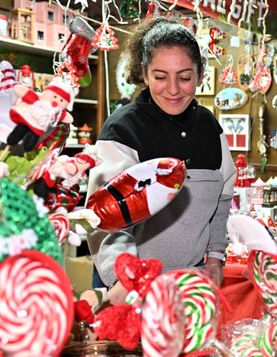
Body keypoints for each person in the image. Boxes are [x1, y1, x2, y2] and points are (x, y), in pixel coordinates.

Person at [86, 17, 235, 302]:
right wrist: (125, 282)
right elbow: (102, 221)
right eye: (160, 76)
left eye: (185, 77)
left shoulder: (209, 127)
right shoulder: (122, 130)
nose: (173, 89)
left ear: (200, 75)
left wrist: (216, 256)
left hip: (190, 283)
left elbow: (222, 200)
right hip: (131, 287)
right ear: (144, 73)